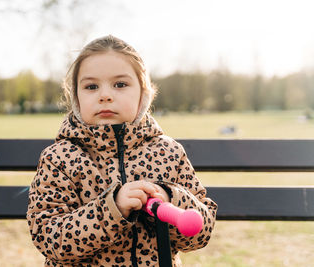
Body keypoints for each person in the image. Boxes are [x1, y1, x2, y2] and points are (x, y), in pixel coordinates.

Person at [27, 35, 218, 267]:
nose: (105, 95)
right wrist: (112, 209)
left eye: (120, 84)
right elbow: (49, 239)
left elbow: (200, 233)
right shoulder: (59, 159)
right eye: (91, 86)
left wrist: (171, 199)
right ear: (75, 98)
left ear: (143, 94)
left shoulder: (169, 153)